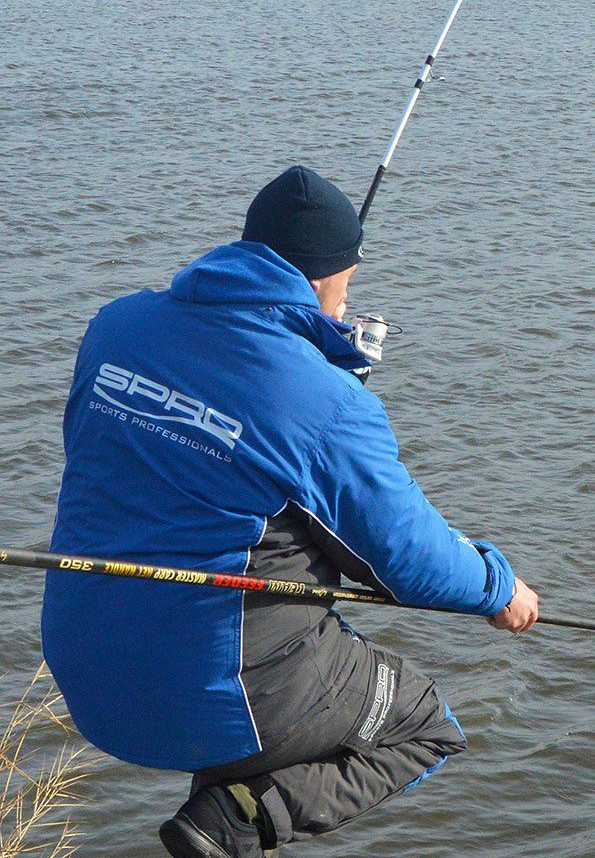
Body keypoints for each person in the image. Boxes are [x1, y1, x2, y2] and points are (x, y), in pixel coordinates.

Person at [41, 165, 538, 857]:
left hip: (84, 669)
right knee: (424, 726)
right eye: (348, 281)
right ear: (325, 278)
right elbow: (408, 566)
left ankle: (226, 815)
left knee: (244, 688)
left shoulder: (115, 328)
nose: (347, 298)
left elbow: (202, 437)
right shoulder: (327, 405)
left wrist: (311, 372)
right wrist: (498, 585)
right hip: (215, 696)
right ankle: (239, 820)